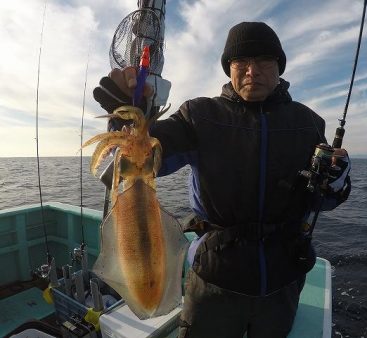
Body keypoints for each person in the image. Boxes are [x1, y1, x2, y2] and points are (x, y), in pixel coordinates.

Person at [93, 21, 351, 338]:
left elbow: (321, 198)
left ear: (279, 67)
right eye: (241, 61)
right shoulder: (199, 116)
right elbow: (144, 161)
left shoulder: (308, 123)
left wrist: (337, 184)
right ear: (229, 68)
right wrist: (125, 114)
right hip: (215, 278)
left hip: (283, 280)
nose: (252, 71)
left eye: (264, 61)